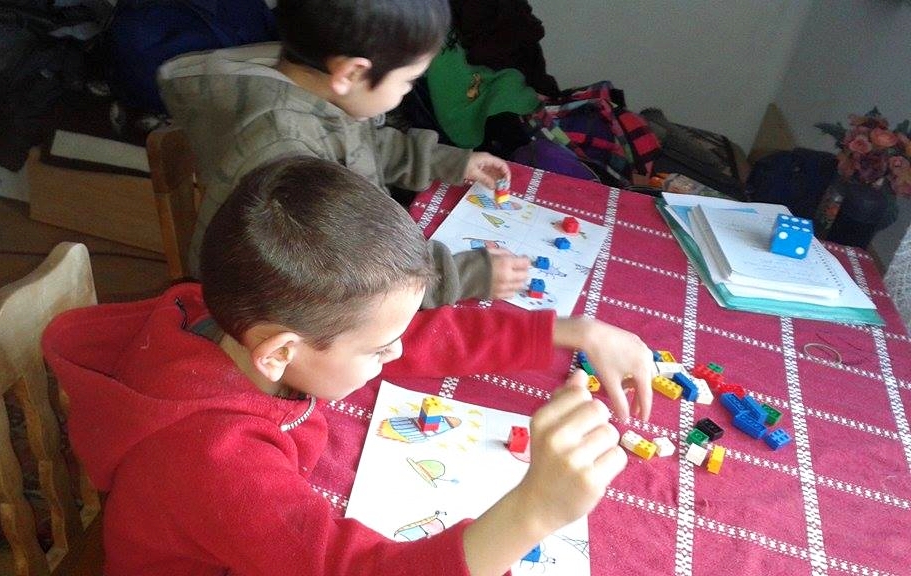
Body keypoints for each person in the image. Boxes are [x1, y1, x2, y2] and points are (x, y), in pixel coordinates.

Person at [43, 157, 653, 575]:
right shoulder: (212, 463)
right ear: (281, 353)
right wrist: (534, 511)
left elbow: (418, 338)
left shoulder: (230, 315)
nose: (398, 352)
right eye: (379, 349)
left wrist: (570, 330)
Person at [157, 0, 531, 308]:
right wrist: (462, 276)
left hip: (333, 265)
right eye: (407, 82)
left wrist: (450, 162)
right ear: (351, 73)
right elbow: (349, 272)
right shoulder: (284, 152)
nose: (407, 92)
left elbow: (363, 147)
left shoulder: (315, 83)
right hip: (276, 311)